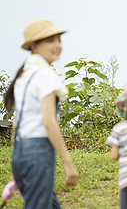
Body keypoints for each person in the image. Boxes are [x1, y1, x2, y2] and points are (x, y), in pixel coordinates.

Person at [3, 19, 78, 209]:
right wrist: (68, 162)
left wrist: (18, 160)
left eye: (59, 40)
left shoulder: (24, 75)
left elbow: (17, 123)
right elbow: (49, 122)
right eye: (51, 41)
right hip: (38, 151)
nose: (58, 46)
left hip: (22, 150)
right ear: (34, 46)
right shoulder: (45, 75)